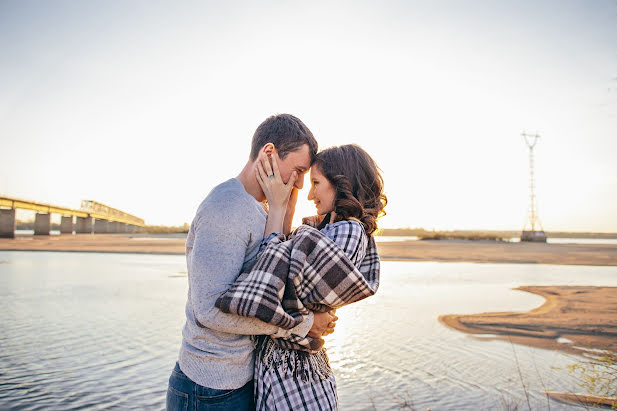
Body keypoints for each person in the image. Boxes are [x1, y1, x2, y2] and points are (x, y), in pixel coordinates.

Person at [166, 114, 337, 411]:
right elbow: (210, 310)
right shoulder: (227, 206)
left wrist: (284, 210)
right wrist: (302, 325)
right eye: (297, 171)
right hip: (209, 389)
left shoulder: (259, 209)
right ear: (268, 153)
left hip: (239, 380)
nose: (298, 183)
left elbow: (271, 283)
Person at [219, 143, 387, 410]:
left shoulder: (348, 233)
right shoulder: (333, 231)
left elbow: (272, 284)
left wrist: (278, 208)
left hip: (295, 377)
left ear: (342, 185)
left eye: (316, 182)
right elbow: (284, 270)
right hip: (292, 370)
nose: (310, 194)